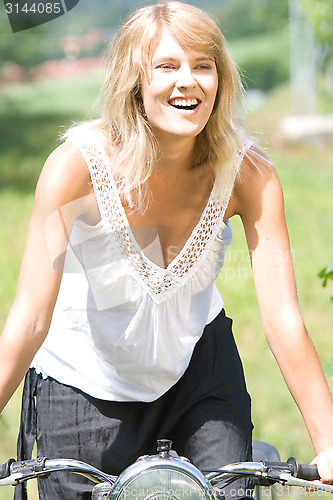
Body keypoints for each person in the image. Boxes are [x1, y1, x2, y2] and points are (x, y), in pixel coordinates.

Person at [0, 1, 332, 499]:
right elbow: (30, 317)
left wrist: (328, 440)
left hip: (196, 371)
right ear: (135, 81)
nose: (188, 81)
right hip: (84, 382)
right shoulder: (76, 171)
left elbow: (282, 317)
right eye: (167, 66)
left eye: (203, 66)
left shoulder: (249, 174)